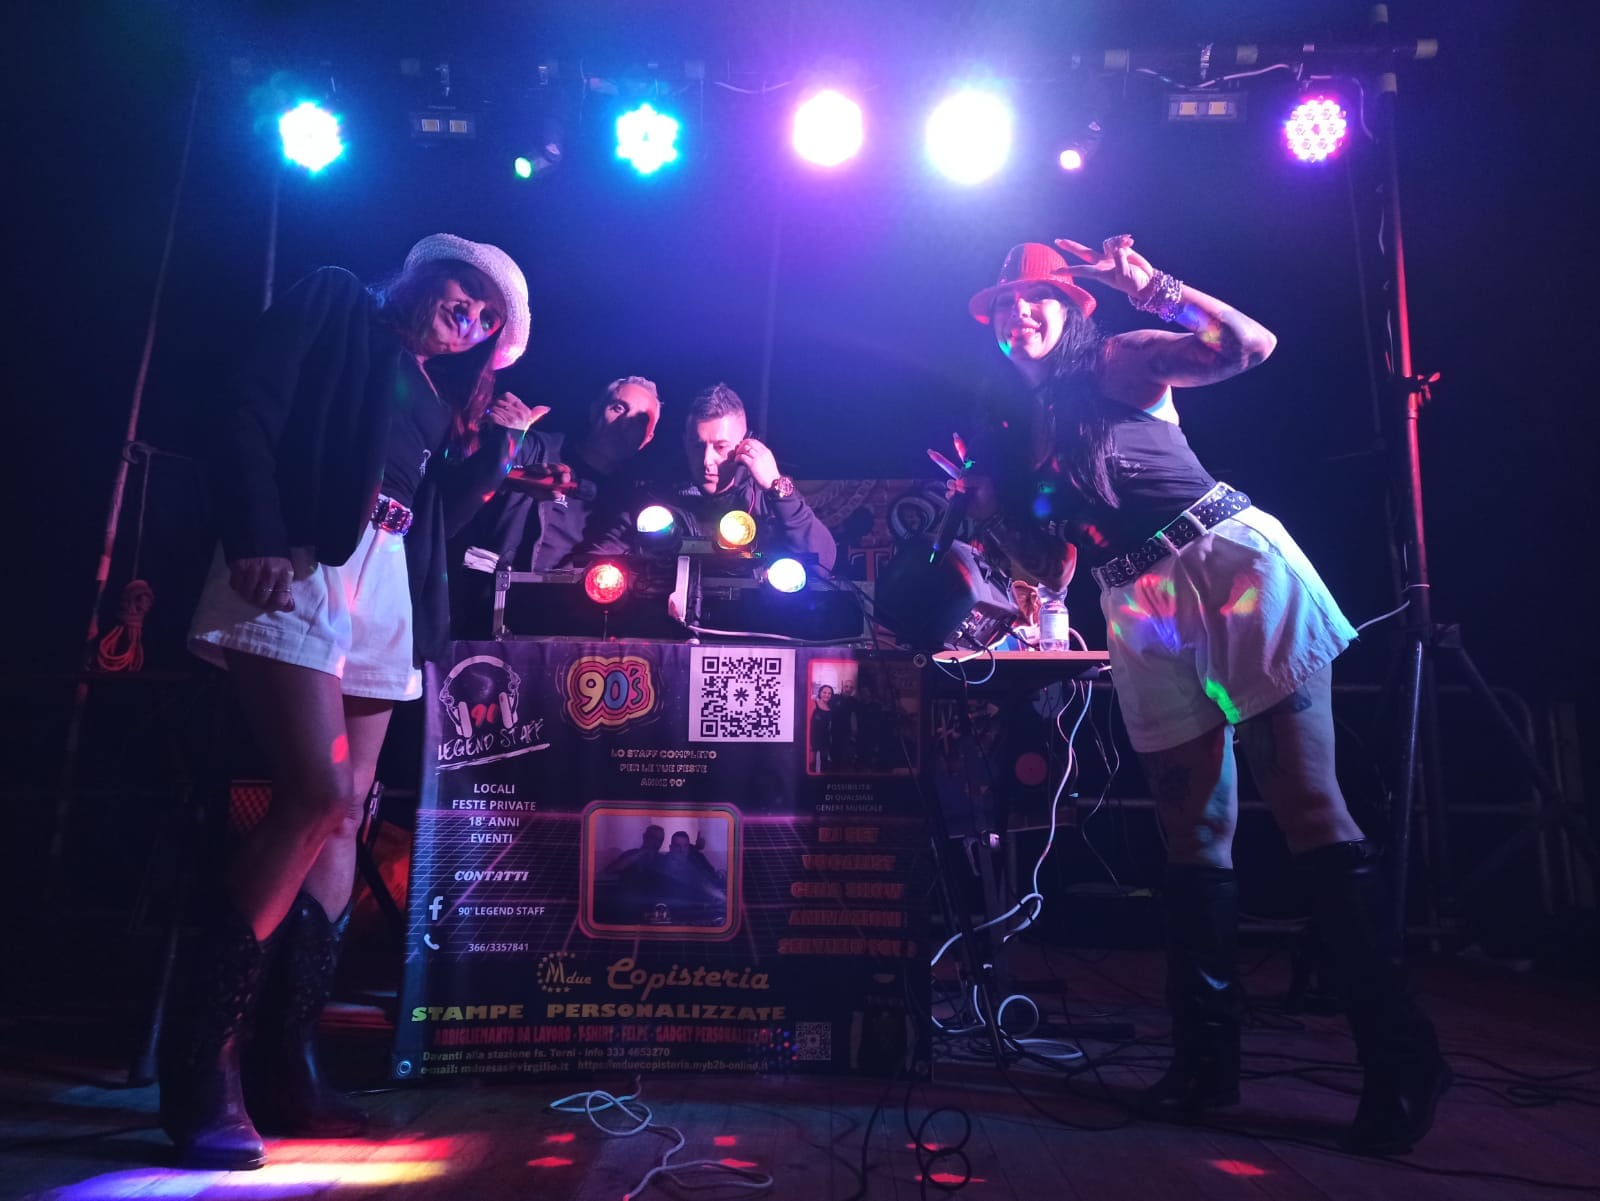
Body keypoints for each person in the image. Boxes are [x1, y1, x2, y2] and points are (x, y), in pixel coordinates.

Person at [960, 238, 1449, 1154]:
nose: (1019, 314)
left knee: (1308, 808)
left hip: (1225, 566)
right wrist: (991, 514)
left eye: (1037, 298)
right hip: (1137, 604)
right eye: (1005, 305)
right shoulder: (1029, 424)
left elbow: (1250, 345)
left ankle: (1401, 1058)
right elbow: (1058, 559)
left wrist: (1154, 286)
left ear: (1073, 308)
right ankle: (1206, 1062)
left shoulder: (1121, 359)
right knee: (1191, 832)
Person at [169, 234, 536, 1170]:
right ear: (427, 272)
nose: (471, 317)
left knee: (349, 814)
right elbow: (244, 408)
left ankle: (286, 1061)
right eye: (467, 294)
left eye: (488, 319)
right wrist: (253, 528)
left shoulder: (432, 386)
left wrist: (500, 443)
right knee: (315, 793)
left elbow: (442, 505)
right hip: (301, 555)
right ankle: (200, 1065)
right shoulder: (338, 301)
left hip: (385, 575)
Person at [451, 376, 662, 634]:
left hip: (572, 628)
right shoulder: (535, 449)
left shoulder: (635, 503)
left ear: (648, 438)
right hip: (490, 616)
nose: (624, 424)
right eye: (618, 408)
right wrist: (501, 435)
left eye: (639, 421)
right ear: (595, 410)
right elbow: (463, 477)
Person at [591, 383, 836, 569]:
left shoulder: (766, 496)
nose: (707, 460)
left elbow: (823, 563)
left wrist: (776, 487)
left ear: (745, 444)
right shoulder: (656, 494)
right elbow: (606, 553)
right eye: (697, 445)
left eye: (721, 447)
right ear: (685, 442)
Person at [810, 684, 836, 772]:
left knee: (824, 765)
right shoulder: (814, 703)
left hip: (825, 741)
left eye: (829, 693)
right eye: (824, 692)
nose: (827, 695)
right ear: (820, 693)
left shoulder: (831, 707)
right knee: (813, 765)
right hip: (813, 741)